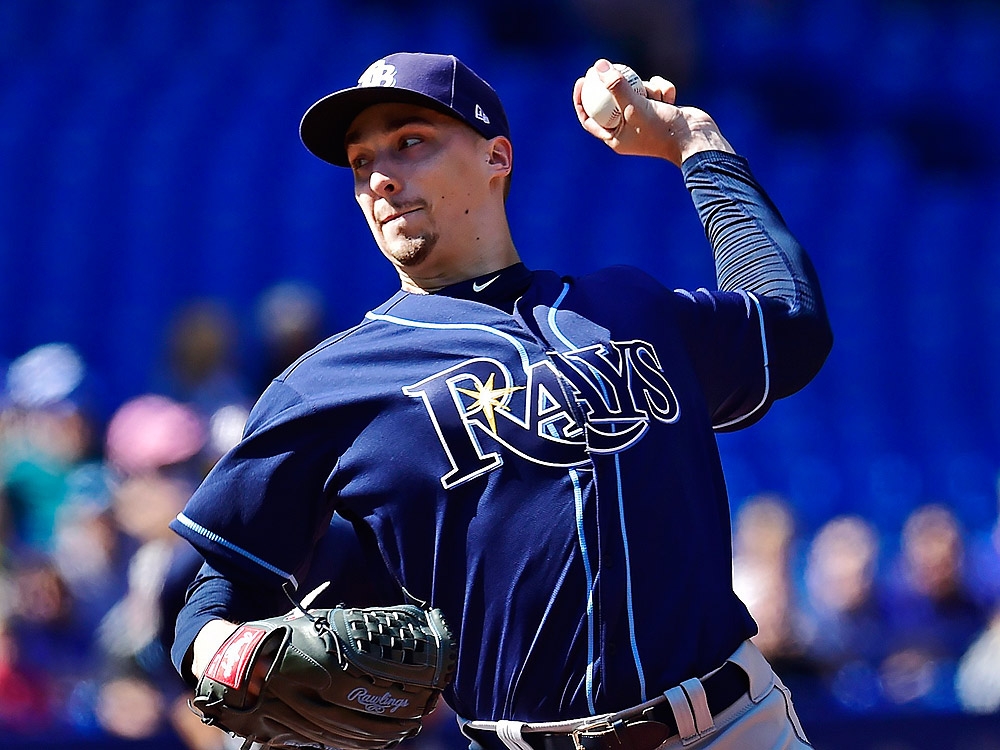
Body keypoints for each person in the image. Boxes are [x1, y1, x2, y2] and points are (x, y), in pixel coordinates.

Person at [168, 52, 832, 749]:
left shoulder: (631, 308)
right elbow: (222, 581)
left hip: (731, 726)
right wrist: (217, 646)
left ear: (497, 156)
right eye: (362, 162)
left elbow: (792, 324)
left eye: (410, 142)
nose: (381, 177)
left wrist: (692, 138)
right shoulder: (330, 384)